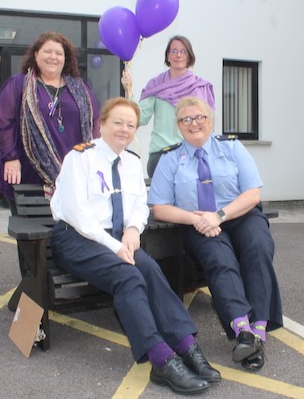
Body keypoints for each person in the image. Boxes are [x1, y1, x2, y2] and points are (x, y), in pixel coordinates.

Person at [50, 97, 219, 394]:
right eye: (117, 122)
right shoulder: (80, 158)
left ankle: (187, 347)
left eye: (131, 125)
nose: (124, 129)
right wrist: (115, 245)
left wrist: (132, 231)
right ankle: (162, 361)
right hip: (78, 238)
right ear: (101, 125)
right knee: (127, 276)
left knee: (151, 270)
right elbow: (78, 214)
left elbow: (140, 206)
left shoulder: (132, 162)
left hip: (117, 239)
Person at [148, 96, 283, 372]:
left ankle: (257, 331)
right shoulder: (170, 158)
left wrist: (219, 215)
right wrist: (196, 219)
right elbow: (159, 208)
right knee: (219, 258)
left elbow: (252, 193)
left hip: (238, 214)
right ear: (178, 125)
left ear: (211, 121)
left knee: (258, 247)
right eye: (186, 119)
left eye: (200, 117)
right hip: (197, 222)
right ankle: (242, 329)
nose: (194, 123)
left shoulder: (232, 148)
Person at [0, 31, 100, 211]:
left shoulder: (82, 89)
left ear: (65, 59)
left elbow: (95, 123)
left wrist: (96, 158)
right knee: (34, 233)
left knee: (70, 234)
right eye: (47, 52)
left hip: (74, 177)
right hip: (29, 174)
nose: (53, 57)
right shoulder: (18, 85)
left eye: (59, 53)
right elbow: (3, 122)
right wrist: (10, 157)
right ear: (36, 55)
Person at [121, 35, 215, 178]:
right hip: (161, 156)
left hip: (191, 156)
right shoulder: (156, 85)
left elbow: (208, 126)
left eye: (183, 52)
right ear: (168, 56)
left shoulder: (199, 87)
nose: (178, 55)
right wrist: (129, 91)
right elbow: (140, 118)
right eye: (174, 51)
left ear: (189, 57)